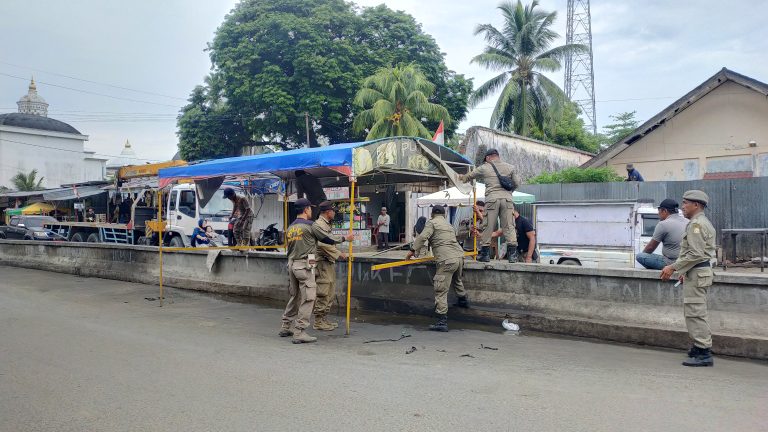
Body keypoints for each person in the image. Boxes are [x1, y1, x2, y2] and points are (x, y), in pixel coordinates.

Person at [280, 198, 353, 344]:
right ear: (306, 209)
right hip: (305, 265)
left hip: (292, 264)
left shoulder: (291, 226)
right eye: (310, 208)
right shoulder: (310, 225)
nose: (311, 211)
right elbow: (326, 239)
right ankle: (300, 331)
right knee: (309, 298)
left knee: (295, 296)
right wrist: (345, 238)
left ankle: (286, 326)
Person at [660, 190, 716, 367]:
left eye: (685, 203)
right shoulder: (700, 222)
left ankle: (703, 352)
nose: (682, 207)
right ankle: (699, 348)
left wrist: (673, 267)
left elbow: (696, 254)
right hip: (697, 272)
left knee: (695, 313)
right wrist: (684, 271)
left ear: (696, 205)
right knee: (694, 312)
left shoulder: (696, 225)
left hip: (698, 273)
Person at [406, 205, 468, 332]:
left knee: (440, 290)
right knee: (457, 280)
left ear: (432, 214)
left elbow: (422, 237)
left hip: (446, 259)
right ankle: (463, 301)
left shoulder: (432, 223)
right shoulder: (448, 224)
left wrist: (411, 251)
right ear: (444, 214)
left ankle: (442, 321)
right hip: (459, 257)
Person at [458, 148, 518, 263]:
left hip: (492, 200)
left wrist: (461, 177)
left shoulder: (485, 167)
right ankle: (512, 256)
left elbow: (469, 176)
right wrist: (508, 193)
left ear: (487, 157)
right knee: (509, 226)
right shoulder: (510, 167)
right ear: (498, 156)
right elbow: (517, 183)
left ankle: (485, 255)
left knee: (488, 226)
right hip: (507, 200)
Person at [312, 201, 352, 331]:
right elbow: (323, 244)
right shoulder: (319, 224)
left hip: (328, 262)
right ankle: (318, 321)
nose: (334, 213)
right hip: (322, 263)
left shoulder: (326, 223)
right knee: (323, 291)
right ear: (328, 212)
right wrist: (338, 253)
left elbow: (330, 240)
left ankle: (323, 319)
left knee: (330, 291)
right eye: (333, 211)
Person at [636, 199, 688, 270]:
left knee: (640, 256)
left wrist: (645, 255)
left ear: (664, 211)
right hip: (686, 262)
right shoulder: (688, 221)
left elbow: (650, 247)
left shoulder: (663, 224)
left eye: (659, 211)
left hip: (671, 262)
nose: (658, 214)